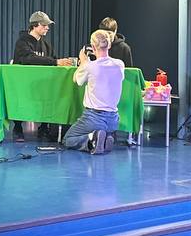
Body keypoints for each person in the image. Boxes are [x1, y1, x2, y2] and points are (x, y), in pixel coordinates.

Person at [10, 11, 75, 142]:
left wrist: (63, 62)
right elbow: (29, 58)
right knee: (20, 101)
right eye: (44, 25)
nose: (47, 28)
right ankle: (17, 128)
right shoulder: (22, 42)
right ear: (35, 25)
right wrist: (56, 62)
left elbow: (53, 59)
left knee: (49, 98)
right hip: (24, 83)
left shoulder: (46, 45)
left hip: (42, 84)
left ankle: (44, 128)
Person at [62, 30, 126, 155]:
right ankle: (105, 137)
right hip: (113, 119)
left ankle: (92, 139)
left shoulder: (90, 66)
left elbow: (77, 80)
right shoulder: (119, 64)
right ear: (109, 45)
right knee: (102, 128)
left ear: (93, 46)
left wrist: (83, 62)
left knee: (68, 139)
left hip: (94, 117)